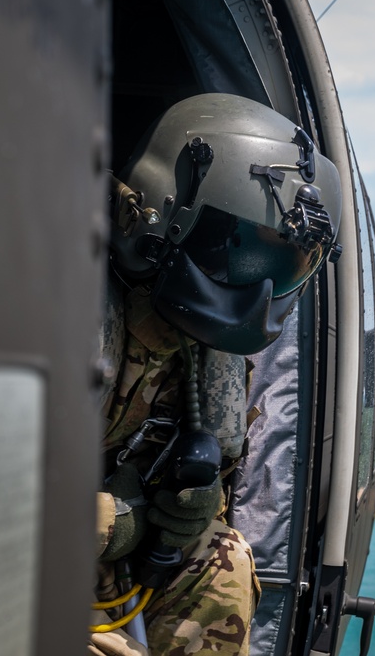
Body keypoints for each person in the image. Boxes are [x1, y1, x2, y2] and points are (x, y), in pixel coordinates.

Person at [90, 93, 342, 656]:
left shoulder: (206, 357)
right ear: (152, 214)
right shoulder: (58, 316)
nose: (255, 284)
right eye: (234, 244)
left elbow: (208, 486)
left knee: (223, 558)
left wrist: (190, 511)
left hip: (108, 583)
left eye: (284, 261)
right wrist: (107, 522)